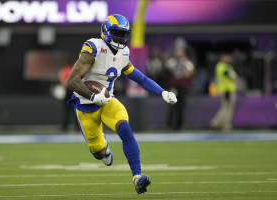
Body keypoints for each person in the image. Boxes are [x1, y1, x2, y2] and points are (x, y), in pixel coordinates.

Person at [66, 14, 177, 194]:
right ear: (106, 32)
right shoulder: (93, 47)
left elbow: (140, 78)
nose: (121, 38)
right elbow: (72, 81)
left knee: (124, 128)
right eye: (117, 33)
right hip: (85, 105)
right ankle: (104, 151)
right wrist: (93, 97)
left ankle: (137, 177)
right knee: (97, 151)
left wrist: (162, 92)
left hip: (108, 101)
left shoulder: (124, 53)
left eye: (124, 34)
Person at [165, 38, 195, 130]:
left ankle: (179, 125)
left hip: (183, 87)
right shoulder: (172, 61)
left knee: (181, 106)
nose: (178, 53)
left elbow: (190, 72)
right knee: (172, 105)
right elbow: (167, 68)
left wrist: (188, 72)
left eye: (180, 51)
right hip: (174, 86)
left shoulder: (187, 62)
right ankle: (170, 124)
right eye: (177, 51)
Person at [210, 54, 238, 131]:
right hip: (227, 90)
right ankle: (219, 123)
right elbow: (233, 77)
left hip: (227, 89)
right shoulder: (222, 66)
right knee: (227, 108)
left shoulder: (227, 66)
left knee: (227, 107)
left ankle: (221, 123)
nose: (229, 59)